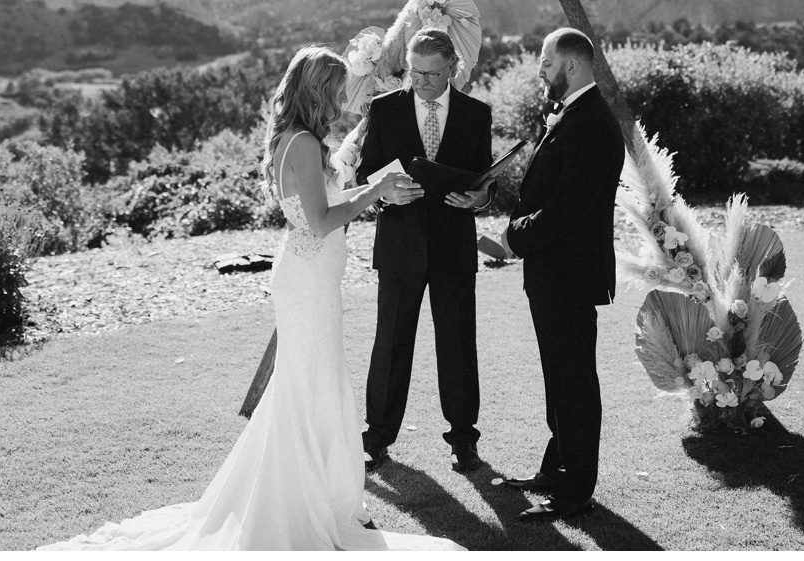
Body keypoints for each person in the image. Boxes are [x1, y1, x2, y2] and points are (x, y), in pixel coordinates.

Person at [41, 47, 456, 551]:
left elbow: (320, 208)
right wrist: (376, 191)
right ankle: (301, 498)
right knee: (310, 384)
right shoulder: (301, 143)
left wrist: (371, 187)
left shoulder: (299, 139)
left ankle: (318, 492)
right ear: (317, 91)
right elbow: (321, 221)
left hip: (312, 276)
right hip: (306, 281)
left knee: (312, 382)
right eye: (337, 89)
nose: (343, 100)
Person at [494, 29, 626, 523]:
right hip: (553, 271)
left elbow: (568, 208)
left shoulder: (591, 122)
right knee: (559, 376)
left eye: (546, 63)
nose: (541, 72)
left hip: (569, 272)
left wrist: (513, 239)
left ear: (570, 65)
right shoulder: (574, 114)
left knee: (573, 379)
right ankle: (557, 468)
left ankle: (575, 490)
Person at [355, 30, 494, 473]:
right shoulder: (384, 109)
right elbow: (365, 176)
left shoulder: (476, 114)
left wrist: (482, 200)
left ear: (452, 68)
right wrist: (382, 195)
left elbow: (483, 180)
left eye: (432, 74)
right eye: (414, 72)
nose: (421, 81)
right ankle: (376, 437)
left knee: (457, 344)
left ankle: (463, 440)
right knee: (391, 344)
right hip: (399, 246)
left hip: (453, 246)